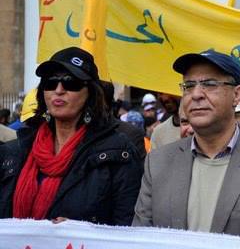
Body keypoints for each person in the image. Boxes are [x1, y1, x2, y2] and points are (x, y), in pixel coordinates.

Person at [133, 50, 240, 238]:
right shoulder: (157, 162)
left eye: (209, 84)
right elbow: (142, 238)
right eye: (188, 86)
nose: (196, 94)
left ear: (236, 95)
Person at [0, 47, 142, 225]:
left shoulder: (118, 153)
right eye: (50, 82)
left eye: (70, 82)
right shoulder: (13, 152)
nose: (59, 90)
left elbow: (127, 228)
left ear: (90, 92)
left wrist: (82, 232)